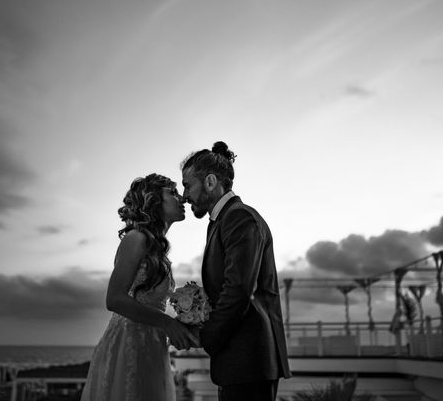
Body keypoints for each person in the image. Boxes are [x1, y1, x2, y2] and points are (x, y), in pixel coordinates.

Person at [180, 142, 291, 401]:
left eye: (187, 185)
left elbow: (238, 290)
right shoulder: (223, 221)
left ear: (210, 182)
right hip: (240, 363)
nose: (184, 195)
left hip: (250, 362)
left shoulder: (239, 218)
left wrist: (205, 337)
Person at [80, 173, 198, 401]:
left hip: (152, 346)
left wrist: (181, 326)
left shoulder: (157, 249)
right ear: (154, 200)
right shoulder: (136, 239)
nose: (181, 198)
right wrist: (166, 323)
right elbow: (114, 299)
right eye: (172, 193)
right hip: (129, 346)